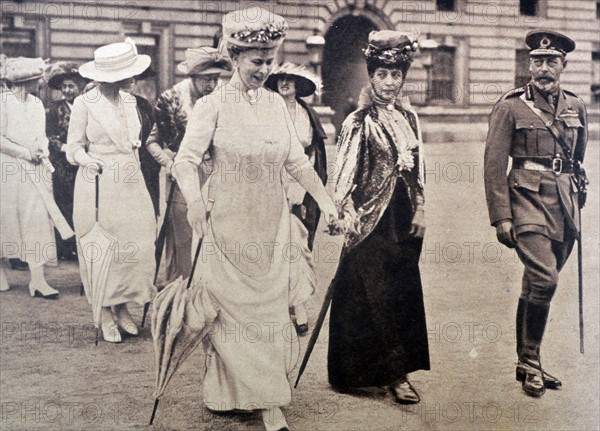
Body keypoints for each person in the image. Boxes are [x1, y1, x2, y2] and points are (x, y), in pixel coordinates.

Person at [172, 7, 337, 431]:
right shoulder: (212, 106)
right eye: (256, 61)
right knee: (230, 316)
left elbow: (298, 164)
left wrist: (328, 201)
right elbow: (185, 162)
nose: (264, 69)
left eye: (270, 60)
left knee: (266, 315)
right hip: (225, 223)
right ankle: (227, 393)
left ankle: (267, 401)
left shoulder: (277, 106)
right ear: (234, 56)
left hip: (271, 224)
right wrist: (193, 201)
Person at [484, 30, 588, 397]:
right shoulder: (510, 106)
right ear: (528, 65)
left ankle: (528, 361)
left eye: (552, 62)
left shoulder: (576, 106)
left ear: (563, 65)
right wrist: (502, 216)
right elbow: (494, 165)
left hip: (563, 204)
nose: (544, 68)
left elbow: (577, 159)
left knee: (536, 281)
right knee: (545, 279)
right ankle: (530, 361)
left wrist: (578, 192)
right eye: (538, 61)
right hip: (525, 200)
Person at [328, 30, 429, 404]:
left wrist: (422, 207)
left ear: (403, 77)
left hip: (403, 219)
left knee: (401, 292)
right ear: (371, 76)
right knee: (372, 296)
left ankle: (384, 368)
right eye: (382, 74)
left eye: (396, 74)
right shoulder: (358, 121)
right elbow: (343, 176)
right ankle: (393, 375)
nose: (389, 82)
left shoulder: (410, 117)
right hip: (370, 221)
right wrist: (347, 212)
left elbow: (419, 168)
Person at [65, 38, 157, 343]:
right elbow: (73, 147)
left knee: (135, 242)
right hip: (99, 181)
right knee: (103, 246)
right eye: (128, 74)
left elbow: (138, 142)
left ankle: (121, 306)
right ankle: (103, 311)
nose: (133, 80)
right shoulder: (84, 103)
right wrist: (88, 160)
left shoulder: (131, 102)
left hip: (130, 179)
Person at [145, 47, 231, 283]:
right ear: (192, 77)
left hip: (214, 175)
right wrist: (170, 163)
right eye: (206, 79)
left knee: (214, 237)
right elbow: (152, 142)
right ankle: (178, 292)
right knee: (183, 238)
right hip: (181, 177)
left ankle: (208, 295)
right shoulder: (171, 101)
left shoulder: (221, 99)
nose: (212, 84)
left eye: (215, 78)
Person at [265, 63, 328, 335]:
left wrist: (303, 192)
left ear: (298, 86)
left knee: (299, 245)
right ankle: (276, 306)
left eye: (290, 80)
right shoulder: (267, 111)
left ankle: (299, 306)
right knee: (273, 247)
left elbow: (312, 155)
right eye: (280, 80)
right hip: (270, 183)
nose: (285, 84)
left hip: (299, 185)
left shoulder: (306, 114)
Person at [0, 57, 62, 298]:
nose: (40, 83)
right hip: (8, 169)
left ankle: (38, 280)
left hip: (35, 169)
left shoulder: (36, 103)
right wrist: (25, 153)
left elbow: (42, 135)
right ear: (26, 81)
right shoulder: (3, 102)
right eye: (37, 80)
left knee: (37, 219)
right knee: (5, 219)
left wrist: (42, 149)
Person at [46, 62, 87, 261]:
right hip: (62, 164)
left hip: (82, 163)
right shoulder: (54, 110)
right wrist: (65, 148)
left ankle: (81, 245)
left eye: (71, 86)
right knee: (63, 203)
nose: (68, 90)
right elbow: (49, 136)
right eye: (64, 87)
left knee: (82, 203)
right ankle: (65, 247)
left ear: (79, 87)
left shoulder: (86, 107)